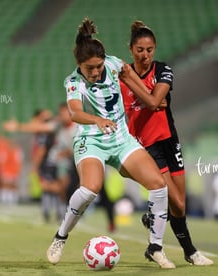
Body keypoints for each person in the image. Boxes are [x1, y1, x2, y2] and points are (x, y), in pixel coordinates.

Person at [46, 18, 174, 269]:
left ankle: (156, 248)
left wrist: (151, 100)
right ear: (79, 65)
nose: (94, 72)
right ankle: (60, 237)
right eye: (89, 68)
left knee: (159, 185)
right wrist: (97, 119)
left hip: (121, 139)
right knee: (90, 189)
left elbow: (132, 80)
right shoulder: (74, 81)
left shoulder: (115, 65)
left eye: (98, 66)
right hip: (91, 140)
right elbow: (74, 113)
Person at [119, 20, 213, 266]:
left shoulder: (163, 70)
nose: (145, 55)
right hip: (147, 146)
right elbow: (152, 101)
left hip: (170, 140)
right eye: (140, 50)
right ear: (131, 50)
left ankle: (160, 224)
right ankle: (190, 251)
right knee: (175, 200)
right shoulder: (121, 77)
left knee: (180, 206)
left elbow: (153, 102)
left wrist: (147, 96)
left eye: (149, 50)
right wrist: (150, 98)